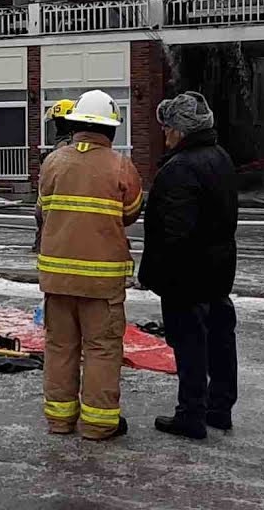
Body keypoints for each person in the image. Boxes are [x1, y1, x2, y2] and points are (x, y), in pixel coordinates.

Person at [36, 90, 142, 440]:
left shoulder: (53, 162)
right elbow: (129, 214)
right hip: (101, 283)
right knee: (101, 349)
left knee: (60, 347)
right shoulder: (121, 166)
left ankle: (59, 420)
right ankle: (97, 424)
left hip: (57, 279)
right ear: (111, 130)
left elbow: (43, 212)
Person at [138, 92, 238, 440]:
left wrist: (155, 274)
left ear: (180, 131)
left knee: (190, 343)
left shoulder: (180, 168)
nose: (164, 135)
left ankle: (191, 414)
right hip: (218, 269)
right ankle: (219, 408)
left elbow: (173, 232)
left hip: (186, 276)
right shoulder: (221, 158)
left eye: (167, 128)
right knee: (220, 339)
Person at [33, 99, 75, 253]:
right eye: (57, 123)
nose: (58, 128)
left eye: (61, 123)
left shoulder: (72, 145)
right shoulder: (63, 144)